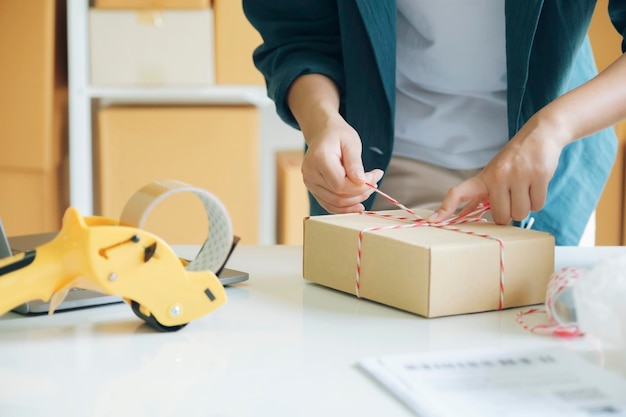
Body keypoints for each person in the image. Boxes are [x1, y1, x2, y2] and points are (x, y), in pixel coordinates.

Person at [242, 1, 623, 245]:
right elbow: (298, 34)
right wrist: (323, 120)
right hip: (385, 162)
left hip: (547, 163)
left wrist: (550, 130)